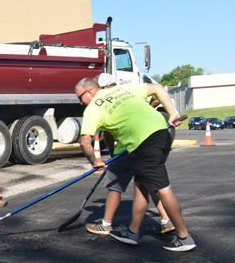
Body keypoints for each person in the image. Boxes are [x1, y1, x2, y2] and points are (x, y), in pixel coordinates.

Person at [75, 77, 195, 251]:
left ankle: (184, 237)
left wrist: (95, 161)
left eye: (80, 97)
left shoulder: (93, 108)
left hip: (144, 141)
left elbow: (84, 141)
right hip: (161, 132)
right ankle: (133, 232)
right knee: (141, 185)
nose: (80, 102)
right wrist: (172, 113)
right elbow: (157, 88)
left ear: (90, 91)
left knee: (162, 188)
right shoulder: (121, 90)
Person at [84, 73, 175, 236]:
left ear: (100, 88)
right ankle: (166, 220)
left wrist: (111, 158)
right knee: (152, 182)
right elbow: (155, 93)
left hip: (130, 146)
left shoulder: (100, 103)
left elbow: (108, 135)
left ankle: (106, 224)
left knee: (115, 185)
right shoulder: (126, 91)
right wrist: (171, 112)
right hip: (155, 136)